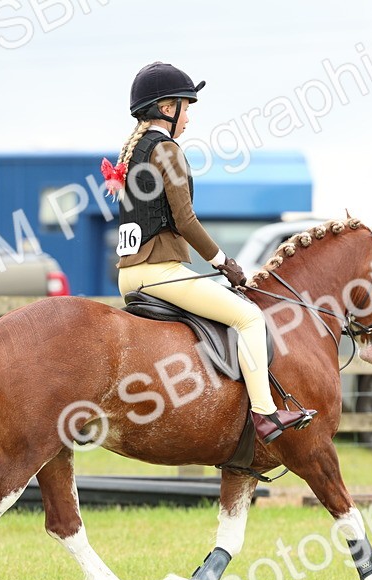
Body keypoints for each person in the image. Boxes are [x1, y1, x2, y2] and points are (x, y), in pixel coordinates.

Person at [103, 62, 315, 443]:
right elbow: (185, 220)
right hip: (159, 271)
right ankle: (265, 415)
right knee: (249, 318)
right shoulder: (167, 150)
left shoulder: (134, 152)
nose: (190, 118)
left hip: (129, 274)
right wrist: (223, 262)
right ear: (167, 109)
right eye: (187, 107)